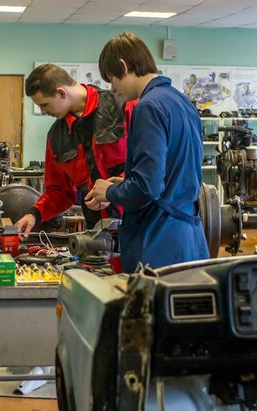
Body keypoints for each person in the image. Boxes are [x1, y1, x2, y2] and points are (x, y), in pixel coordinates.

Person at [85, 32, 209, 272]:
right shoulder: (181, 101)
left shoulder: (148, 107)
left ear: (123, 66)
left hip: (158, 240)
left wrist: (108, 191)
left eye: (113, 79)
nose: (113, 88)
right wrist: (124, 183)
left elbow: (147, 188)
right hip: (189, 237)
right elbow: (172, 173)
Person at [15, 64, 135, 240]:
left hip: (140, 223)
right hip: (97, 235)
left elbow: (149, 166)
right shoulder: (56, 137)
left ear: (61, 93)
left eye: (44, 105)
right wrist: (34, 214)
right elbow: (59, 191)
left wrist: (114, 191)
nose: (43, 111)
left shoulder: (123, 108)